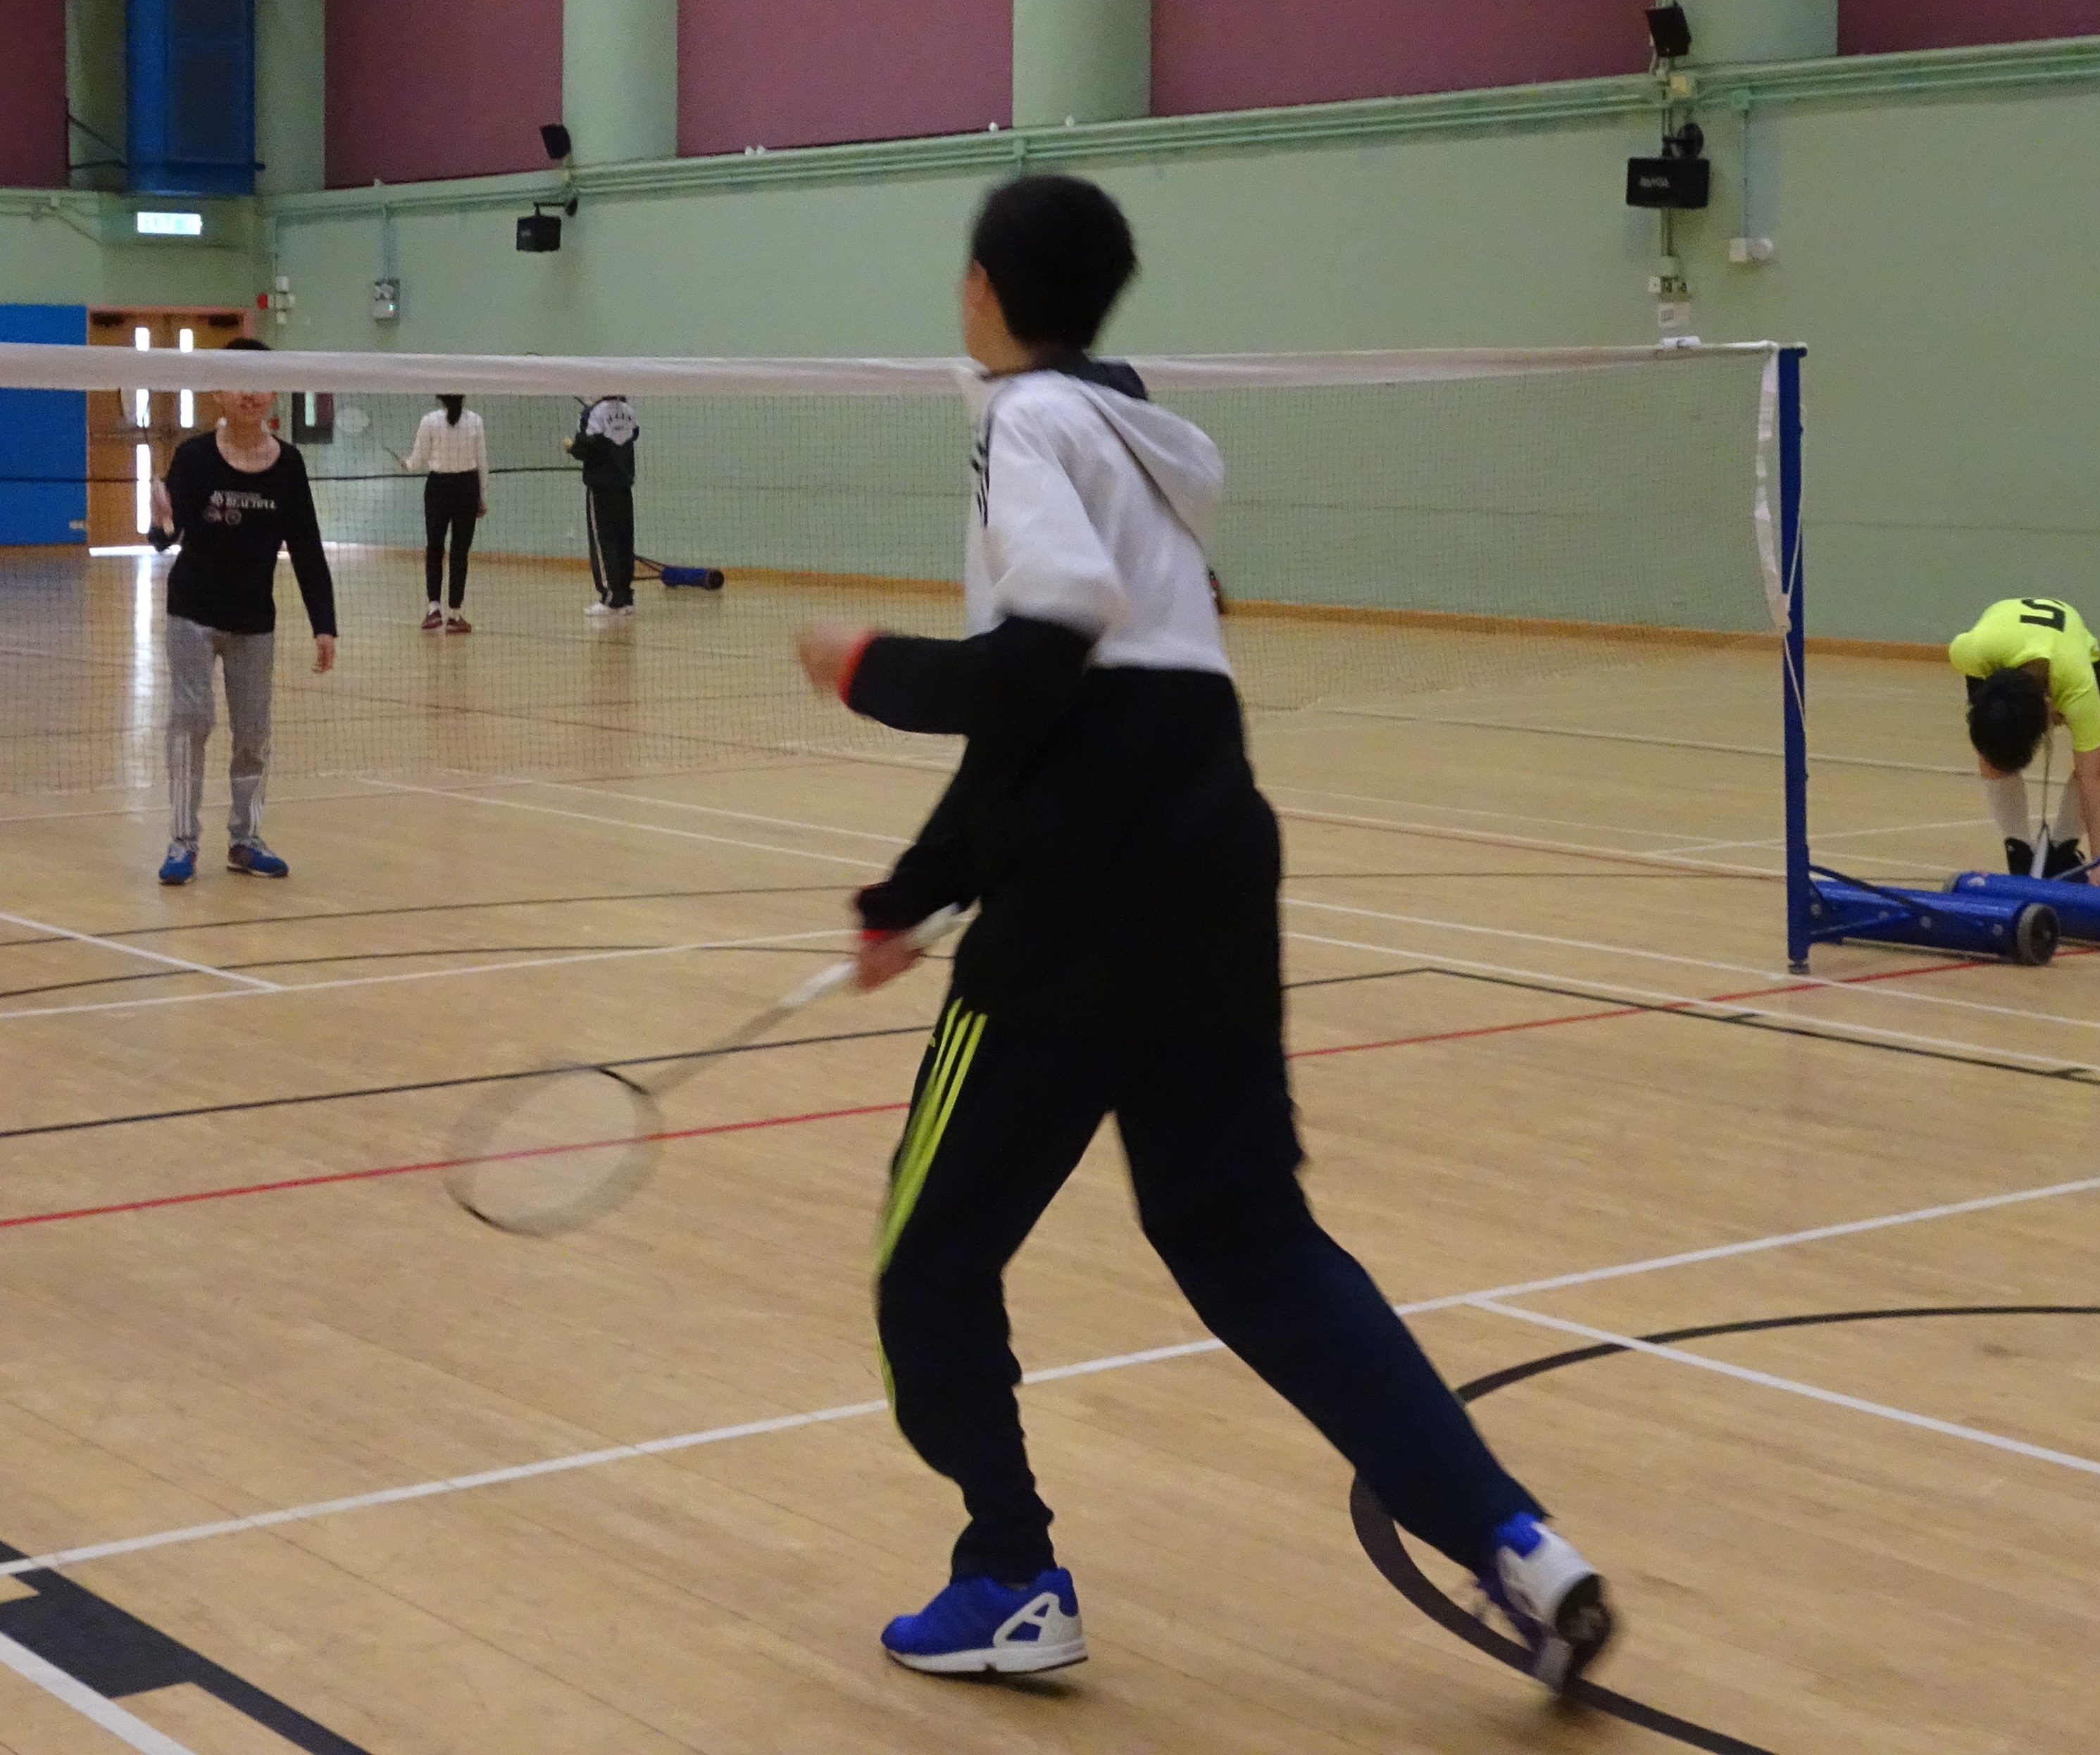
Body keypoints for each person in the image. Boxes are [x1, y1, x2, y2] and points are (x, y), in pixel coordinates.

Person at [792, 173, 1612, 1694]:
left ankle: (1009, 1571)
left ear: (983, 291)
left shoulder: (1023, 422)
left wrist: (868, 669)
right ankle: (1519, 1549)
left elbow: (1044, 656)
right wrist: (912, 894)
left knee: (931, 1263)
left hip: (1076, 911)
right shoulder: (1146, 443)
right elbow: (1101, 715)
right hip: (1211, 871)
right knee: (1248, 1244)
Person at [149, 338, 337, 886]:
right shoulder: (194, 458)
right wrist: (160, 525)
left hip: (255, 620)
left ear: (273, 390)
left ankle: (246, 839)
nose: (250, 393)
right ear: (218, 391)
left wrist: (324, 623)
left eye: (260, 381)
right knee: (191, 723)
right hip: (192, 613)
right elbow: (165, 536)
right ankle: (182, 842)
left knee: (253, 731)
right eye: (239, 382)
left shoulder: (289, 465)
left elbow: (307, 547)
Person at [1952, 594, 2100, 882]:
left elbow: (2092, 777)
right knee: (1994, 740)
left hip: (2070, 653)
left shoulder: (2076, 687)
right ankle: (2019, 849)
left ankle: (2062, 850)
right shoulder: (1968, 652)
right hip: (1998, 650)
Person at [405, 391, 487, 632]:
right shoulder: (475, 421)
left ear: (440, 397)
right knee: (460, 552)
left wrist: (407, 463)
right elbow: (482, 463)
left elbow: (417, 461)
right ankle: (455, 615)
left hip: (438, 489)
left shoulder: (429, 420)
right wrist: (482, 497)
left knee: (434, 548)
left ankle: (433, 610)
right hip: (467, 489)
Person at [566, 392, 638, 618]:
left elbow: (585, 447)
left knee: (603, 542)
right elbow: (633, 435)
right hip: (624, 486)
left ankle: (610, 598)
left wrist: (571, 447)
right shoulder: (628, 411)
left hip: (601, 488)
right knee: (624, 542)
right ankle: (625, 597)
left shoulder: (592, 414)